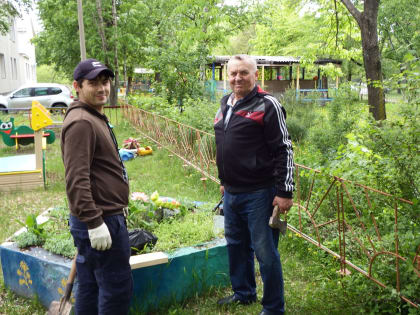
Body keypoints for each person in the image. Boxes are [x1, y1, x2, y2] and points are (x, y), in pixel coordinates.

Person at [214, 55, 294, 315]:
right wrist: (225, 181)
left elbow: (284, 150)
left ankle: (273, 308)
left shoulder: (268, 105)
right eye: (233, 73)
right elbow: (225, 145)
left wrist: (284, 192)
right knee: (236, 245)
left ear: (255, 75)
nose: (237, 78)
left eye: (243, 73)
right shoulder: (226, 102)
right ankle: (244, 293)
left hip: (260, 192)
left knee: (265, 252)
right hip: (232, 191)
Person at [61, 58, 133, 314]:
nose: (102, 88)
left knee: (90, 286)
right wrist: (94, 222)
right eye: (94, 83)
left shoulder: (92, 115)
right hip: (101, 219)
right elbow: (76, 179)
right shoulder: (82, 122)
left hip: (101, 218)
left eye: (105, 81)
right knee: (116, 289)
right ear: (77, 86)